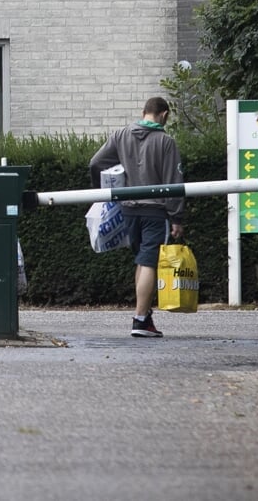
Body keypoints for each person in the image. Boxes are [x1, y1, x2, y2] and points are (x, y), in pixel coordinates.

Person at [89, 96, 185, 338]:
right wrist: (177, 217)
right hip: (155, 210)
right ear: (164, 115)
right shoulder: (166, 141)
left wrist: (101, 192)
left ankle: (145, 314)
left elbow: (96, 162)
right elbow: (174, 182)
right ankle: (140, 319)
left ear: (143, 112)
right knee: (149, 262)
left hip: (128, 210)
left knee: (141, 262)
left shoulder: (121, 135)